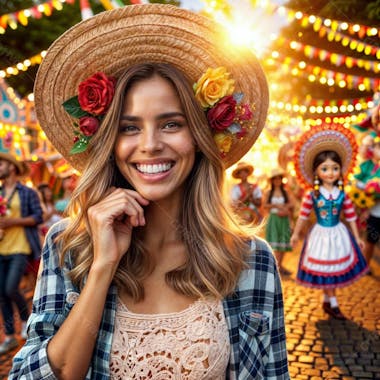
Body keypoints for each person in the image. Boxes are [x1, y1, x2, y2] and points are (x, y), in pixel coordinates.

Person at [9, 4, 289, 379]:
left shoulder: (251, 260)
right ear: (109, 141)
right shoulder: (69, 245)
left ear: (200, 137)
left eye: (171, 124)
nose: (150, 144)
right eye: (129, 127)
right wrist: (102, 268)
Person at [290, 125, 368, 320]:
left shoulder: (343, 194)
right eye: (325, 168)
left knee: (331, 268)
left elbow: (351, 217)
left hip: (338, 233)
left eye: (334, 168)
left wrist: (357, 237)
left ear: (340, 170)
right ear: (316, 172)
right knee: (326, 267)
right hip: (321, 234)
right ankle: (332, 303)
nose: (331, 173)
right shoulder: (312, 195)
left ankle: (328, 301)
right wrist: (295, 234)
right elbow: (303, 216)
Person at [0, 153, 43, 354]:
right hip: (1, 248)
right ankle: (9, 336)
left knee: (10, 289)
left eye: (1, 164)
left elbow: (37, 217)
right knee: (1, 293)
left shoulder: (27, 192)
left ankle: (26, 320)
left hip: (21, 247)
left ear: (12, 166)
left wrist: (13, 222)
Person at [354, 136, 380, 272]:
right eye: (378, 148)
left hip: (373, 208)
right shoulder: (366, 165)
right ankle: (365, 265)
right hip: (371, 212)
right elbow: (355, 180)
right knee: (370, 239)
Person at [263, 168, 293, 276]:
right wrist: (276, 205)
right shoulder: (268, 192)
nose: (277, 180)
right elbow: (265, 205)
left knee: (283, 241)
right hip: (274, 219)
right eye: (275, 179)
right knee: (274, 242)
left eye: (279, 178)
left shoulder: (286, 192)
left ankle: (280, 265)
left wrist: (284, 208)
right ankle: (276, 266)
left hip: (284, 219)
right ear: (272, 180)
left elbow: (291, 204)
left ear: (281, 179)